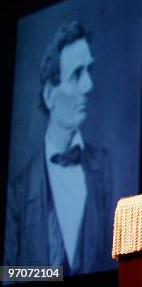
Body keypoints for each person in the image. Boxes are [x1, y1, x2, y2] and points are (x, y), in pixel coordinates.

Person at [4, 21, 114, 275]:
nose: (88, 85)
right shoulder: (19, 189)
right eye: (76, 74)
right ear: (49, 95)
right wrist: (49, 275)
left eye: (89, 70)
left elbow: (113, 259)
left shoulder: (102, 166)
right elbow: (5, 273)